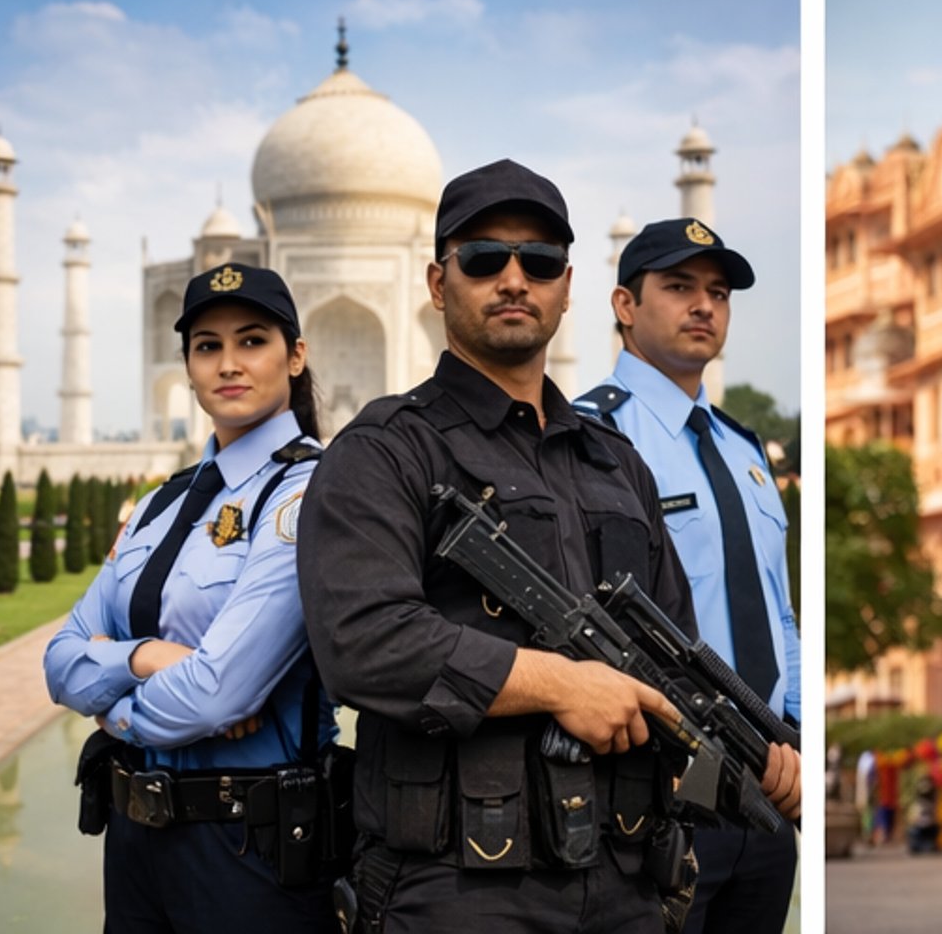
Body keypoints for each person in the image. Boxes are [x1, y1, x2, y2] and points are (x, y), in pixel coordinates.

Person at [296, 160, 797, 932]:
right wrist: (560, 684)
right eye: (483, 258)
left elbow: (675, 647)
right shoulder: (386, 450)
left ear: (566, 288)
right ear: (437, 283)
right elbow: (361, 641)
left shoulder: (614, 461)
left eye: (538, 261)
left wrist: (753, 745)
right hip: (454, 891)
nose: (513, 279)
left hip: (626, 881)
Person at [43, 263, 338, 934]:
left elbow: (215, 696)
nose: (228, 363)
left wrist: (109, 707)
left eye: (252, 340)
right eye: (207, 346)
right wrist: (146, 657)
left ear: (295, 355)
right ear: (187, 366)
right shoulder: (161, 502)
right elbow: (59, 658)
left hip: (251, 850)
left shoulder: (309, 494)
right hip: (135, 844)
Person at [576, 219, 800, 934]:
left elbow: (777, 611)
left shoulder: (743, 450)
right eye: (679, 287)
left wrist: (794, 734)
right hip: (654, 790)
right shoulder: (589, 438)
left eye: (719, 292)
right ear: (625, 304)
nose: (704, 305)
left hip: (765, 789)